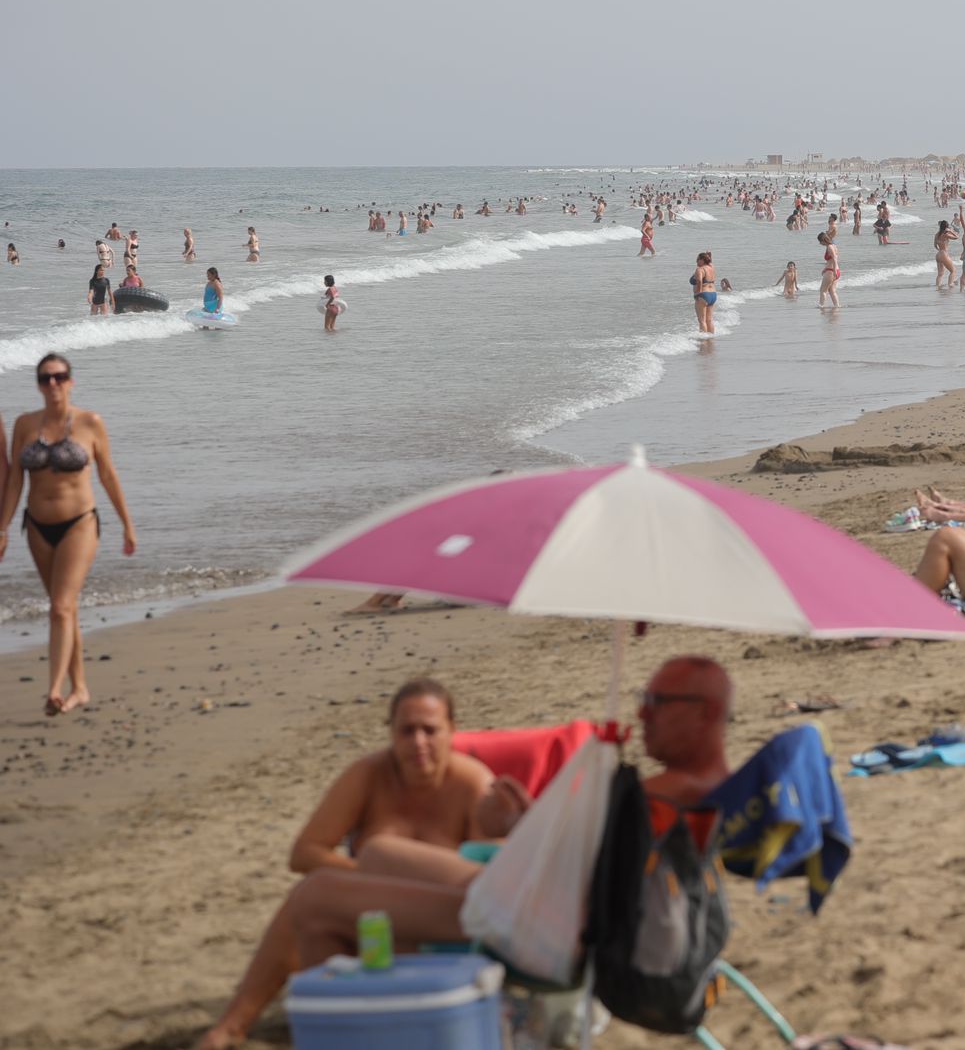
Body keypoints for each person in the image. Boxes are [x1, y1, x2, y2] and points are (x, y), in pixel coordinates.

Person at [195, 663, 730, 1050]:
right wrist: (526, 832)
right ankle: (353, 1028)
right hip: (544, 910)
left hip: (543, 930)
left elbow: (592, 882)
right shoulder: (688, 789)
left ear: (705, 714)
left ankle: (240, 1025)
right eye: (407, 730)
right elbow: (601, 872)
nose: (642, 712)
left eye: (656, 702)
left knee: (315, 898)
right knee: (372, 861)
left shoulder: (670, 796)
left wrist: (523, 837)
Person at [0, 354, 138, 716]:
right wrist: (2, 527)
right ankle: (79, 688)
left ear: (71, 381)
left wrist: (127, 523)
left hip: (80, 524)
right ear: (38, 385)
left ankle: (53, 691)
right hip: (37, 528)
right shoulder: (25, 424)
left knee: (60, 608)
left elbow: (108, 475)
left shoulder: (90, 422)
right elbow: (14, 480)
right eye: (46, 379)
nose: (53, 384)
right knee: (66, 610)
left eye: (59, 377)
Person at [691, 251, 718, 332]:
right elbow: (710, 263)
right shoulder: (711, 267)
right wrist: (709, 257)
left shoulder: (700, 269)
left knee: (702, 321)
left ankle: (703, 341)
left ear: (703, 260)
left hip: (703, 294)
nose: (696, 261)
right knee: (709, 320)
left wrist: (697, 293)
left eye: (698, 259)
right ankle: (710, 339)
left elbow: (699, 281)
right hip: (713, 294)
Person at [818, 230, 841, 309]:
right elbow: (831, 260)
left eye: (820, 241)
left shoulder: (830, 247)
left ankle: (821, 307)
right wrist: (826, 269)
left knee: (823, 290)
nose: (820, 243)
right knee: (832, 291)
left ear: (823, 240)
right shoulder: (833, 246)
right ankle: (837, 306)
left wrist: (833, 270)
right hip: (835, 270)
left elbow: (834, 258)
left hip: (831, 271)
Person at [934, 219, 958, 289]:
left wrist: (940, 250)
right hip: (944, 254)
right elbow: (957, 237)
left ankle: (938, 287)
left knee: (940, 274)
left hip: (938, 254)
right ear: (946, 227)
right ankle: (950, 285)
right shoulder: (946, 234)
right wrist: (951, 231)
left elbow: (935, 245)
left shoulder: (937, 234)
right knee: (953, 271)